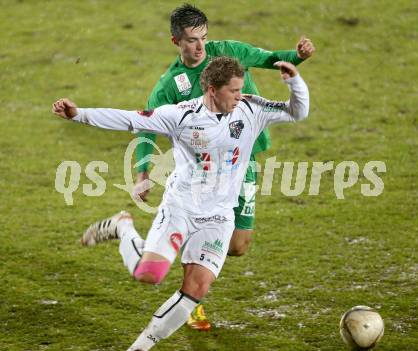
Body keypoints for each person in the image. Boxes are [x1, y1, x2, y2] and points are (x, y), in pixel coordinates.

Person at [52, 56, 309, 350]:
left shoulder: (252, 108)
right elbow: (130, 119)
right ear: (212, 90)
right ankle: (123, 227)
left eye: (241, 89)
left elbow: (297, 112)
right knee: (149, 275)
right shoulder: (181, 115)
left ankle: (139, 347)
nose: (241, 95)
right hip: (181, 208)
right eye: (234, 90)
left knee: (196, 287)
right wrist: (77, 114)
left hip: (219, 217)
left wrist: (294, 82)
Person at [132, 4, 314, 329]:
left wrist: (297, 56)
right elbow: (147, 126)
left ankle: (193, 276)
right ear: (176, 41)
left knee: (239, 246)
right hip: (203, 175)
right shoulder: (170, 85)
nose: (200, 46)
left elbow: (271, 58)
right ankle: (191, 298)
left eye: (203, 37)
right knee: (200, 227)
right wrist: (143, 173)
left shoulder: (227, 53)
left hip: (242, 162)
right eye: (191, 40)